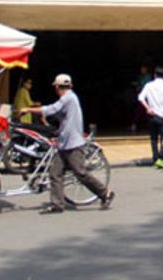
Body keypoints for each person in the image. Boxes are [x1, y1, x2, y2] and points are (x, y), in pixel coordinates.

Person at [19, 73, 114, 214]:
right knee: (55, 173)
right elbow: (56, 114)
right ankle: (57, 204)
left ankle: (105, 193)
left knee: (81, 173)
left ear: (57, 87)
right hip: (64, 143)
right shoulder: (68, 99)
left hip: (73, 144)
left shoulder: (68, 98)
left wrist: (28, 109)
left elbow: (51, 109)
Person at [138, 66, 163, 169]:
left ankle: (155, 158)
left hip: (152, 115)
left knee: (153, 138)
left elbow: (140, 97)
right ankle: (161, 158)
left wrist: (148, 108)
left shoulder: (148, 85)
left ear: (154, 75)